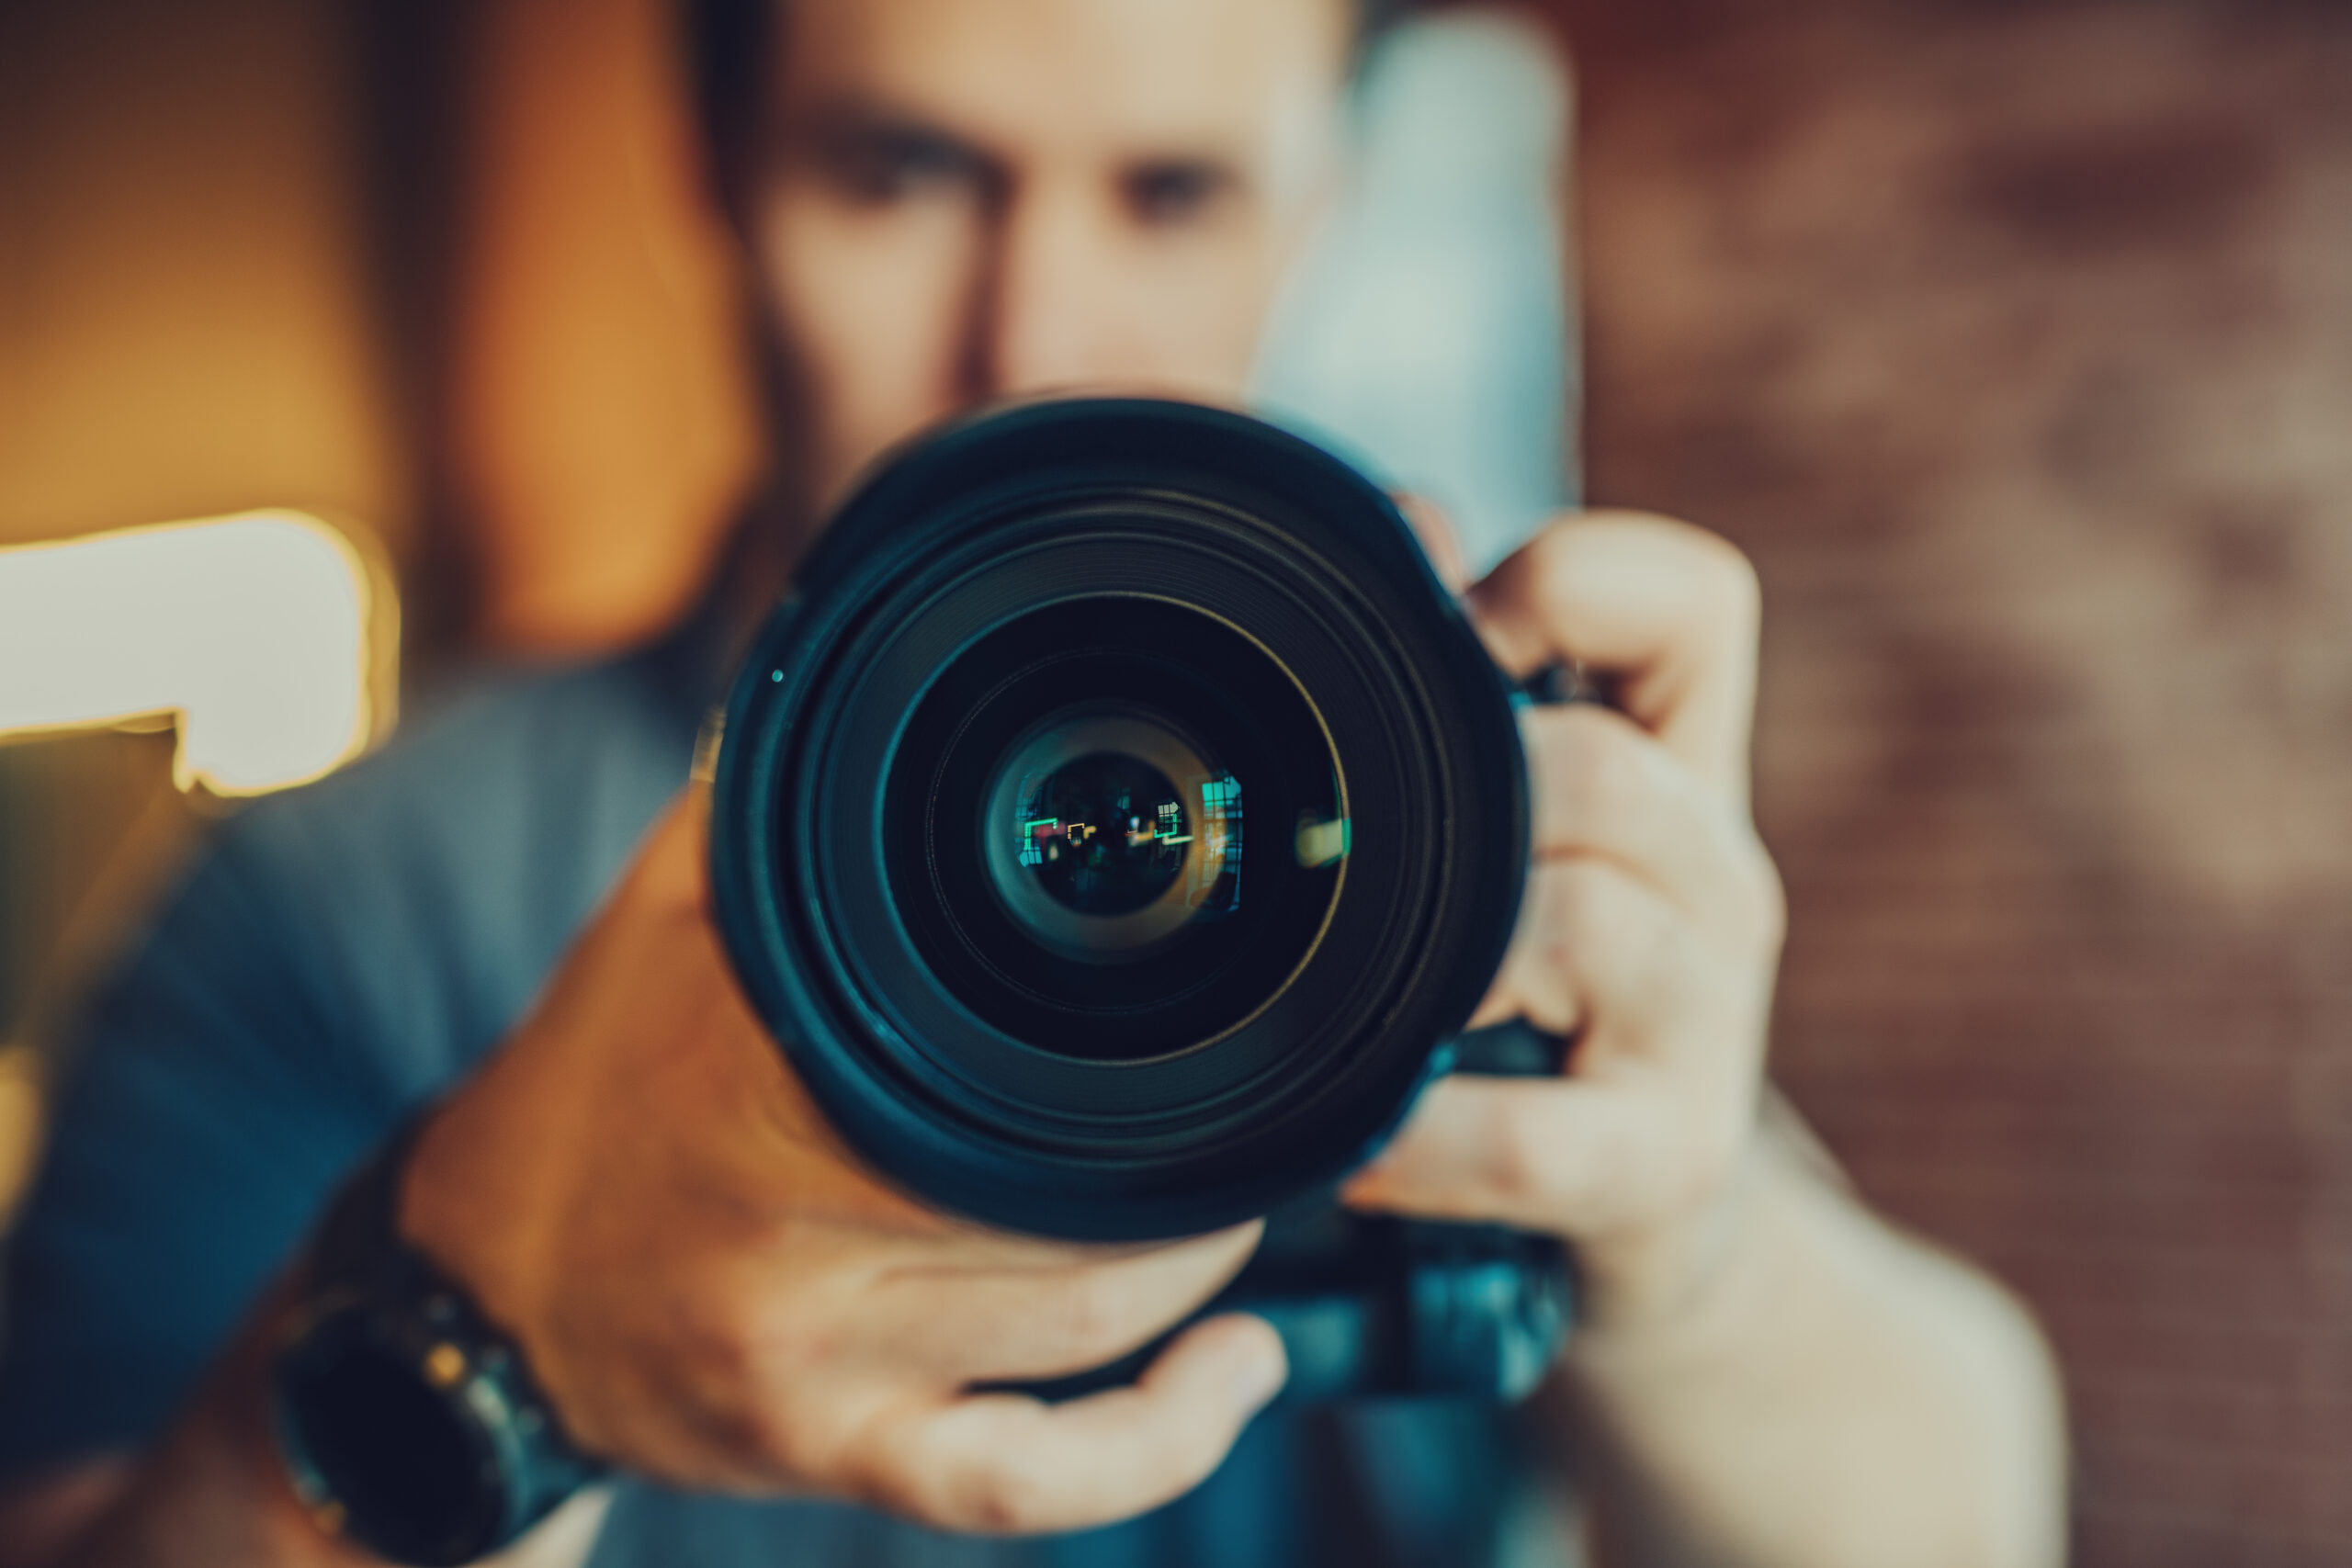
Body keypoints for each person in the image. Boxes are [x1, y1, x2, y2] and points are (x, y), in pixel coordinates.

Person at [0, 0, 2066, 1563]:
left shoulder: (1438, 794)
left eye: (1169, 193)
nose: (1035, 327)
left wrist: (1678, 1250)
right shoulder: (348, 895)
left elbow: (1964, 1513)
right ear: (710, 172)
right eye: (901, 173)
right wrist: (488, 1331)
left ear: (1311, 208)